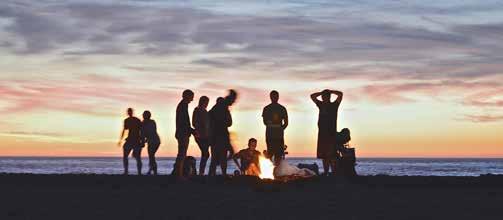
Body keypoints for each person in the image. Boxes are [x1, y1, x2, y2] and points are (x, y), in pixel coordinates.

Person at [311, 89, 343, 175]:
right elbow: (312, 96)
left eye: (325, 96)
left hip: (331, 134)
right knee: (324, 156)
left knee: (332, 155)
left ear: (329, 97)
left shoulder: (334, 105)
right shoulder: (321, 105)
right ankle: (325, 172)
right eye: (323, 96)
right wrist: (321, 92)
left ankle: (333, 173)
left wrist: (331, 91)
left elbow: (340, 94)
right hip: (322, 134)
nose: (323, 98)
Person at [208, 90, 238, 176]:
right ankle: (219, 175)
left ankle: (214, 175)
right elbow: (228, 122)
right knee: (221, 156)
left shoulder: (219, 106)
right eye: (234, 100)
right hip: (220, 136)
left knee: (218, 157)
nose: (234, 102)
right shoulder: (222, 106)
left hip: (217, 135)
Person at [262, 90, 288, 165]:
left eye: (276, 96)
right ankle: (270, 171)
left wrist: (280, 129)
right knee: (270, 153)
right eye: (273, 96)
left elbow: (286, 123)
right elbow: (264, 122)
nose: (274, 98)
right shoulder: (266, 108)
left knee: (279, 154)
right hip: (270, 134)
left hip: (278, 135)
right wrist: (273, 126)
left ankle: (277, 171)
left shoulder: (282, 108)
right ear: (270, 97)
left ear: (278, 97)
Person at [175, 89, 195, 179]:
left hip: (182, 133)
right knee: (182, 154)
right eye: (191, 97)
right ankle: (179, 175)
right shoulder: (183, 106)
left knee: (181, 154)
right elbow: (184, 122)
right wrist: (192, 131)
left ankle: (178, 173)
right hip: (183, 133)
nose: (192, 99)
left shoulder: (183, 105)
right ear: (187, 96)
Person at [118, 108, 143, 175]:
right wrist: (120, 140)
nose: (129, 113)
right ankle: (126, 171)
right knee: (126, 156)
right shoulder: (127, 120)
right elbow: (124, 130)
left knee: (137, 157)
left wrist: (142, 140)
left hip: (136, 140)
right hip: (130, 139)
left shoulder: (137, 120)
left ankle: (139, 172)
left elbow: (141, 130)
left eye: (130, 112)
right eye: (128, 112)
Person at [192, 96, 211, 175]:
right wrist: (198, 131)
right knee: (205, 153)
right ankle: (201, 172)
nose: (206, 104)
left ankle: (201, 172)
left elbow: (208, 123)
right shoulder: (197, 110)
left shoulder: (205, 111)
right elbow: (194, 123)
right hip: (200, 135)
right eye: (206, 102)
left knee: (205, 153)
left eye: (207, 103)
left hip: (206, 135)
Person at [142, 110, 161, 175]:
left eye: (144, 115)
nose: (143, 116)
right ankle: (151, 170)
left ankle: (154, 170)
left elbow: (151, 132)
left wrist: (144, 141)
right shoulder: (144, 123)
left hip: (155, 141)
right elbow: (143, 133)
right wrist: (144, 140)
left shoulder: (151, 122)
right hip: (151, 141)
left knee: (151, 155)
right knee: (151, 156)